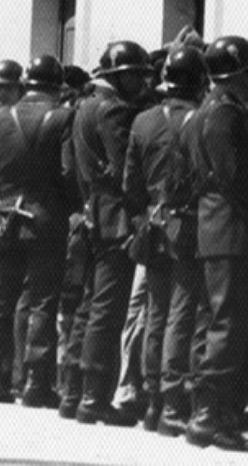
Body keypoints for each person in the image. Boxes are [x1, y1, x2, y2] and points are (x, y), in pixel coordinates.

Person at [0, 55, 78, 406]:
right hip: (46, 216)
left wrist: (7, 189)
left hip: (5, 215)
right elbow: (69, 173)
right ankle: (35, 382)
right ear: (56, 85)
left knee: (1, 296)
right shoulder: (63, 117)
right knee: (42, 301)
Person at [69, 40, 154, 425]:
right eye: (135, 76)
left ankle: (76, 392)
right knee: (108, 306)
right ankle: (93, 397)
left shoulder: (86, 106)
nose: (140, 83)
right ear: (120, 76)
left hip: (94, 212)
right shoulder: (114, 110)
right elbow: (126, 170)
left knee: (91, 304)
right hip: (115, 216)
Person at [125, 42, 204, 433]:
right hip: (188, 225)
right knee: (182, 314)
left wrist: (146, 213)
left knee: (156, 314)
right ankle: (173, 404)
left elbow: (130, 185)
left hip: (152, 224)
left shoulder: (143, 121)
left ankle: (153, 399)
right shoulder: (202, 118)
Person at [184, 35, 248, 450]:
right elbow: (234, 175)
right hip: (230, 225)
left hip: (215, 226)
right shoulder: (225, 111)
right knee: (227, 320)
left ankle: (212, 409)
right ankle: (211, 414)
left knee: (215, 318)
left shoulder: (206, 109)